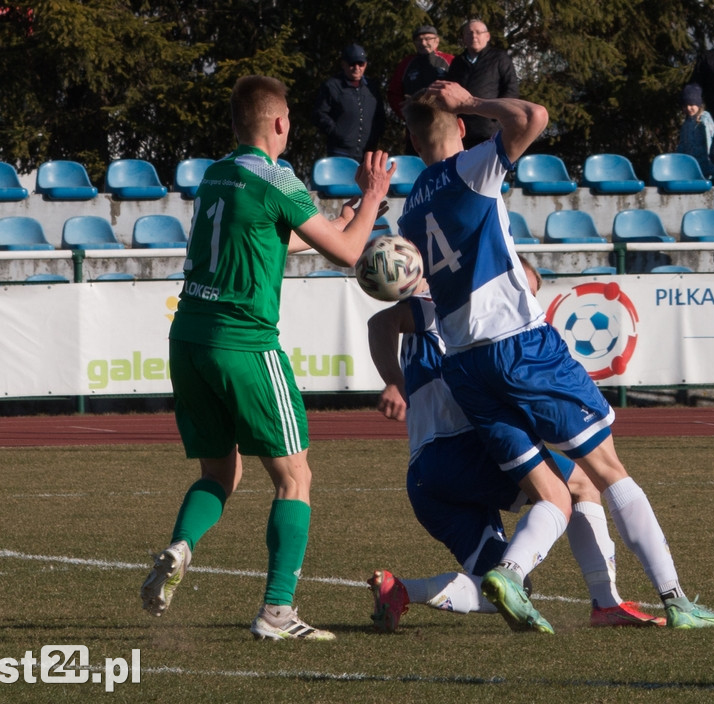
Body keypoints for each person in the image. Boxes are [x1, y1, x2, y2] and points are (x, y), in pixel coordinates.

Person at [399, 80, 714, 633]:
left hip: (464, 364)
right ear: (458, 129)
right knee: (607, 470)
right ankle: (677, 599)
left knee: (557, 488)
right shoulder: (472, 168)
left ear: (413, 144)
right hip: (519, 345)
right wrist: (474, 103)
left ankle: (513, 570)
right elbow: (533, 115)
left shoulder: (409, 213)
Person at [140, 75, 394, 641]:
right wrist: (373, 195)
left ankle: (180, 547)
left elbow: (278, 236)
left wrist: (342, 217)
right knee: (294, 477)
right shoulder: (278, 179)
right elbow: (350, 254)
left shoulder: (216, 173)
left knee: (219, 472)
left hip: (189, 339)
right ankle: (278, 612)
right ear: (280, 123)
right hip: (245, 342)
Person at [365, 259, 664, 631]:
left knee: (505, 589)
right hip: (462, 450)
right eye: (525, 288)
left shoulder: (466, 317)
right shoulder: (447, 307)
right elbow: (381, 322)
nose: (526, 301)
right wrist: (393, 380)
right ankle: (606, 601)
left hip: (426, 477)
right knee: (582, 485)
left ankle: (402, 591)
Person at [445, 19, 520, 149]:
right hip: (462, 129)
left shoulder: (499, 58)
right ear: (464, 38)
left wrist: (498, 114)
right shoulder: (457, 62)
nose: (474, 36)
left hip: (490, 128)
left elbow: (511, 88)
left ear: (487, 36)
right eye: (469, 33)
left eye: (478, 32)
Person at [313, 44, 387, 160]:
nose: (357, 68)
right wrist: (337, 132)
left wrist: (375, 136)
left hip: (367, 153)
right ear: (344, 64)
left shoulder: (372, 88)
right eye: (352, 64)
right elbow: (320, 114)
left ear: (365, 65)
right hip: (340, 152)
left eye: (360, 64)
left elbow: (380, 116)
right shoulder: (332, 86)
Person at [387, 25, 454, 124]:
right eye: (419, 40)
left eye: (428, 39)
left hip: (445, 122)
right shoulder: (406, 64)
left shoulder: (449, 60)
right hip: (416, 123)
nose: (423, 43)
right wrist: (405, 114)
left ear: (436, 41)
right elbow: (394, 93)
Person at [676, 83, 714, 179]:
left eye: (691, 104)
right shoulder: (686, 123)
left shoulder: (704, 119)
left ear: (698, 104)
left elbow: (711, 142)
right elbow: (682, 144)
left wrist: (712, 165)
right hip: (690, 164)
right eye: (685, 105)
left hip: (706, 165)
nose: (688, 108)